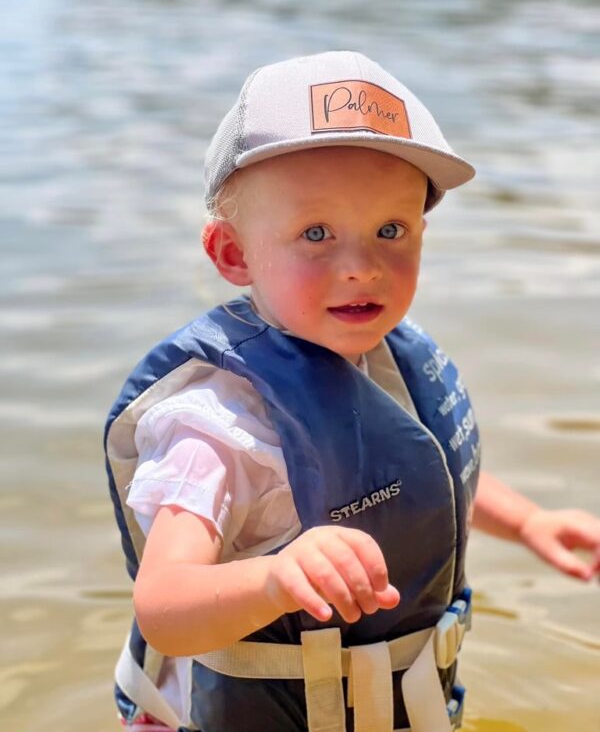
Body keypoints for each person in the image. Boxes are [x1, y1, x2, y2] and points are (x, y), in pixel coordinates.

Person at [104, 51, 600, 732]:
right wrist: (275, 580)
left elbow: (412, 481)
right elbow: (163, 603)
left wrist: (527, 522)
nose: (362, 267)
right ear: (233, 255)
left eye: (390, 230)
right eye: (316, 234)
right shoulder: (218, 427)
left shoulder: (386, 364)